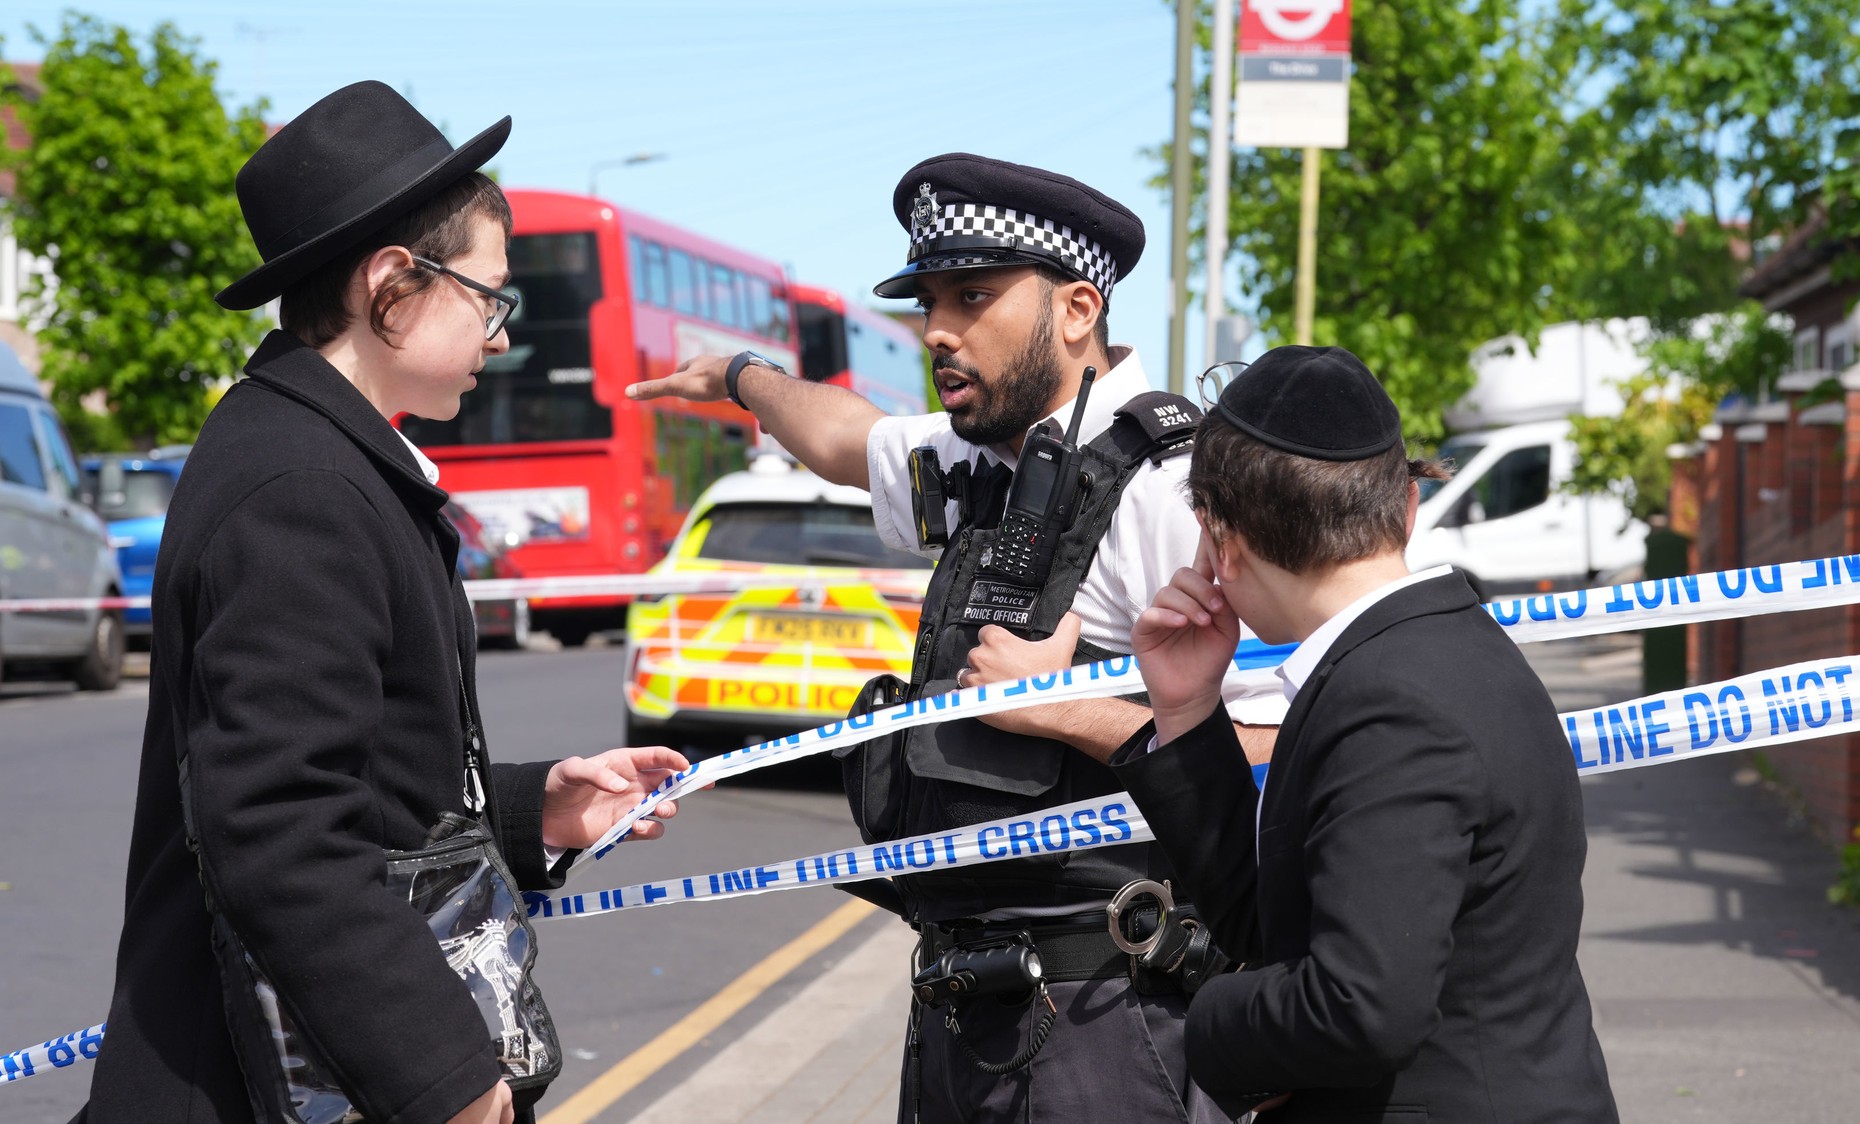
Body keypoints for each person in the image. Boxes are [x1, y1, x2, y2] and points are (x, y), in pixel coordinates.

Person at [75, 82, 689, 1124]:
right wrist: (443, 1076)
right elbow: (278, 823)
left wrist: (524, 805)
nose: (501, 335)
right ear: (393, 285)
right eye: (490, 297)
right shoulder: (301, 492)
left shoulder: (318, 456)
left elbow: (353, 771)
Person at [630, 153, 1275, 1123]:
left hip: (1111, 1020)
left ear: (1076, 310)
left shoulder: (1171, 488)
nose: (936, 329)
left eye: (972, 295)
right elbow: (848, 438)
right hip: (969, 1018)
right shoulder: (983, 456)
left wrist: (1077, 714)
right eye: (928, 300)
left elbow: (1287, 749)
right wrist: (738, 375)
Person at [1114, 345, 1620, 1121]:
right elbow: (1279, 925)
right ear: (1407, 506)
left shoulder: (1388, 700)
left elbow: (1360, 1006)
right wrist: (1186, 711)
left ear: (1223, 541)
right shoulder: (1438, 651)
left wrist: (1210, 1025)